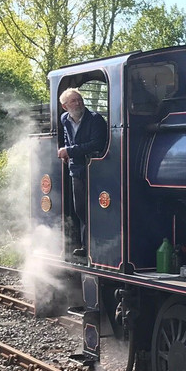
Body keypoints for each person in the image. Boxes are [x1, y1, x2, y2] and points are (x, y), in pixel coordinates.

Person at [57, 88, 108, 256]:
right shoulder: (65, 119)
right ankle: (86, 246)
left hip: (96, 170)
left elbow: (97, 144)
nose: (78, 103)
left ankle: (96, 246)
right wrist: (67, 154)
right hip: (77, 170)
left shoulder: (95, 119)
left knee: (96, 209)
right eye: (73, 101)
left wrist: (69, 151)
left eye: (79, 99)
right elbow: (68, 139)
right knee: (80, 209)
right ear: (65, 107)